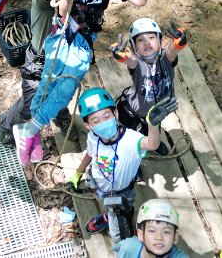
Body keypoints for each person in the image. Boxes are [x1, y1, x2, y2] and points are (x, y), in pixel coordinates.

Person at [12, 0, 170, 165]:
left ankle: (29, 131)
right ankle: (28, 132)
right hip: (61, 36)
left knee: (61, 89)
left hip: (82, 42)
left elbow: (139, 0)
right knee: (50, 85)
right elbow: (62, 11)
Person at [0, 0, 78, 151]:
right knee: (32, 103)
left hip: (67, 56)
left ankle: (60, 114)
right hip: (41, 59)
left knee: (62, 91)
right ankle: (7, 124)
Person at [66, 87, 162, 244]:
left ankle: (121, 221)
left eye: (107, 116)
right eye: (96, 121)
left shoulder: (131, 140)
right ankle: (107, 215)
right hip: (97, 185)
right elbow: (90, 154)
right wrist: (78, 173)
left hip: (122, 194)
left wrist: (153, 125)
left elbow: (152, 143)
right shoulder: (93, 137)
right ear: (88, 126)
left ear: (116, 114)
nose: (103, 123)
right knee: (105, 205)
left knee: (119, 235)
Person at [112, 18, 188, 156]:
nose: (146, 42)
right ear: (133, 47)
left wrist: (178, 44)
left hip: (155, 113)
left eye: (152, 37)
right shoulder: (138, 64)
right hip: (132, 109)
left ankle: (152, 144)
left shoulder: (166, 60)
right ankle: (128, 157)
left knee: (151, 131)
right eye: (140, 40)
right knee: (125, 134)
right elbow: (131, 60)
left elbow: (171, 51)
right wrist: (122, 57)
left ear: (161, 41)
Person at [112, 199, 189, 258]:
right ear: (141, 234)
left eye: (166, 232)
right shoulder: (127, 248)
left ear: (175, 237)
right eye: (152, 231)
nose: (159, 237)